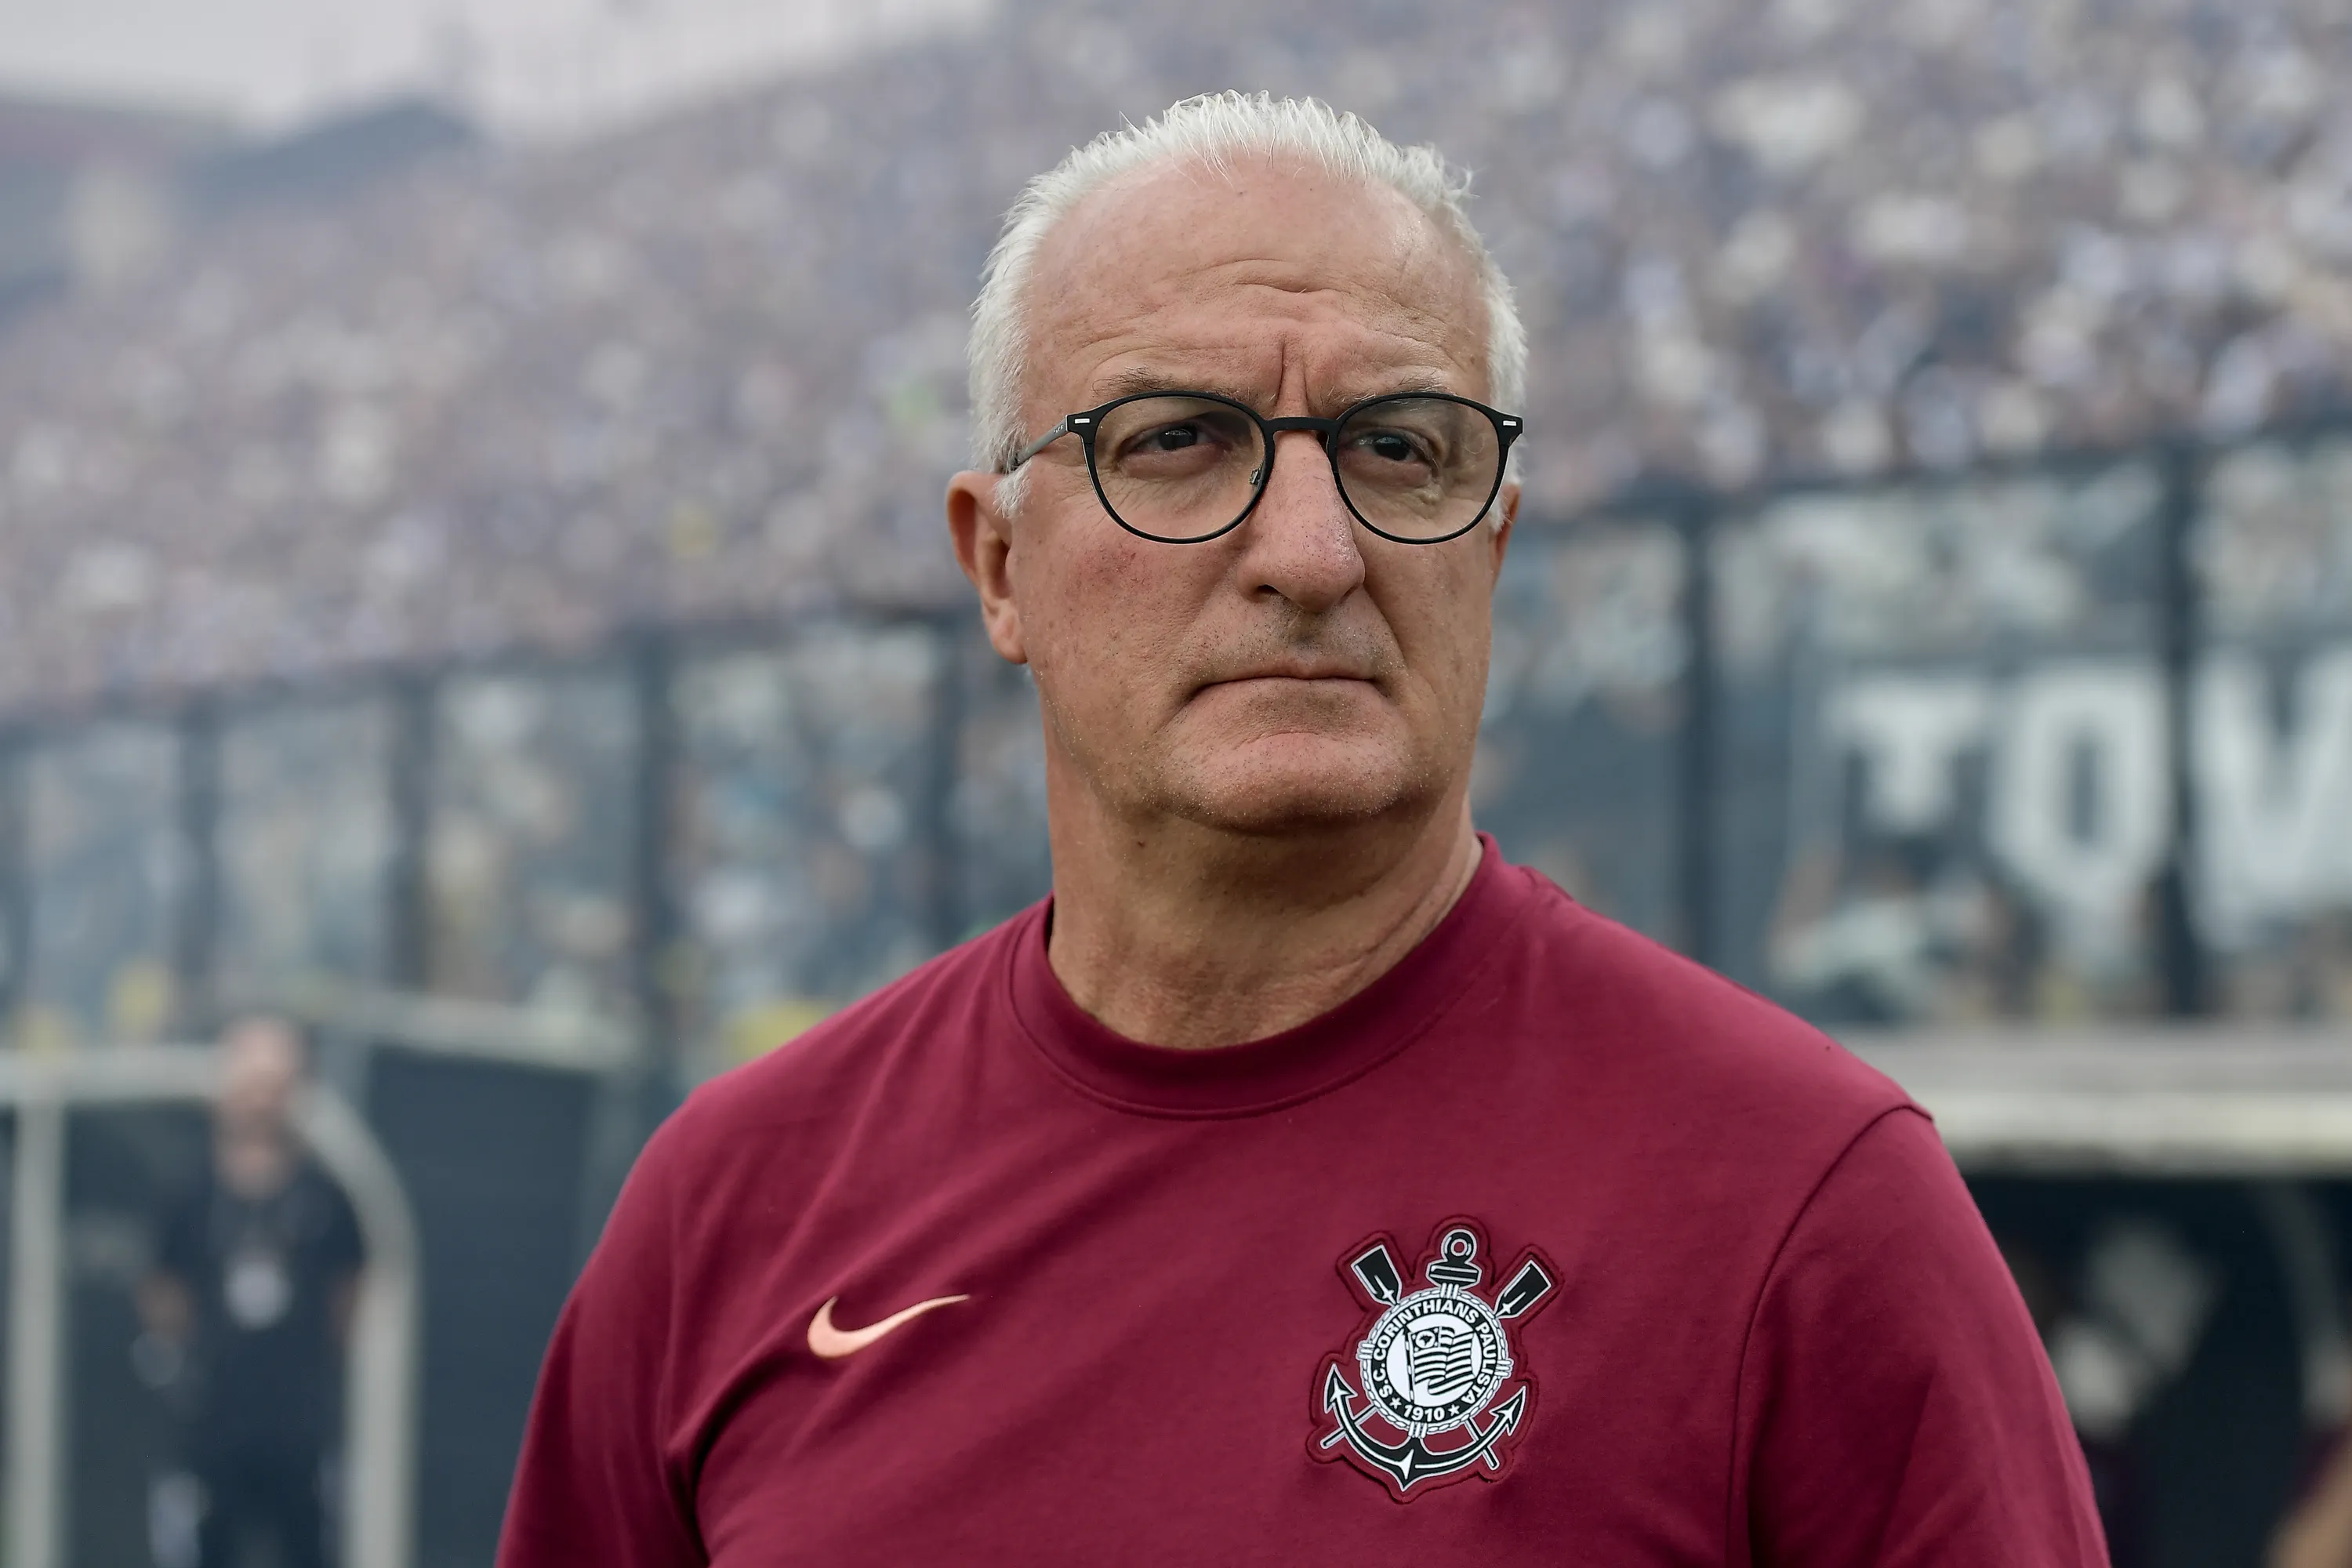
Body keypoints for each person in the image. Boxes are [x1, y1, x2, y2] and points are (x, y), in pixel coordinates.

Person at [501, 93, 2105, 1563]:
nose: (1311, 549)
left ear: (1494, 546)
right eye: (1178, 441)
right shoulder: (731, 1206)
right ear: (999, 567)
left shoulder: (1803, 1205)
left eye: (1400, 448)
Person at [139, 1017, 365, 1568]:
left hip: (301, 1438)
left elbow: (349, 1299)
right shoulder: (189, 1196)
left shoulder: (329, 1200)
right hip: (210, 1434)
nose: (262, 1099)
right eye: (252, 1081)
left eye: (276, 1082)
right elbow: (163, 1294)